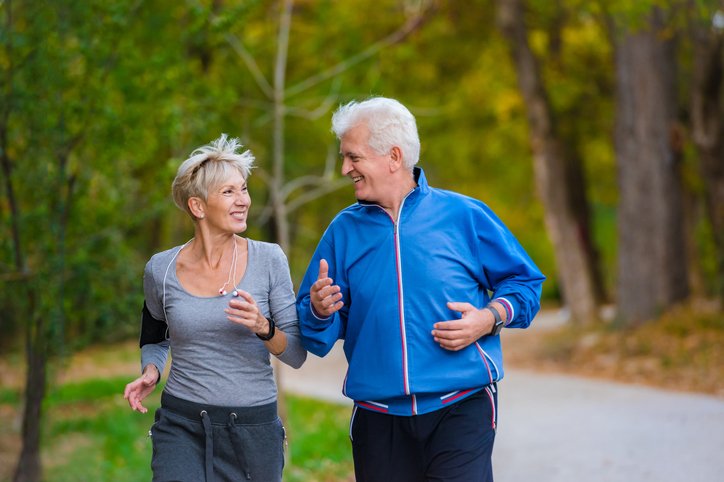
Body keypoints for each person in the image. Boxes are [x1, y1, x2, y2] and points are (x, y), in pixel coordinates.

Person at [296, 97, 545, 482]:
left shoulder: (465, 215)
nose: (345, 169)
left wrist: (489, 318)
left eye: (353, 157)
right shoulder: (342, 232)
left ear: (393, 157)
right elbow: (317, 339)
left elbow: (526, 284)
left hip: (461, 406)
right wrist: (318, 310)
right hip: (378, 417)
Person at [123, 134, 306, 482]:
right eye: (229, 192)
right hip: (182, 426)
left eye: (244, 189)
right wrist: (152, 371)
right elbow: (155, 336)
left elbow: (296, 353)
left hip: (253, 431)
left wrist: (262, 327)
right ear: (198, 206)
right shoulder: (160, 269)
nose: (243, 201)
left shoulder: (269, 260)